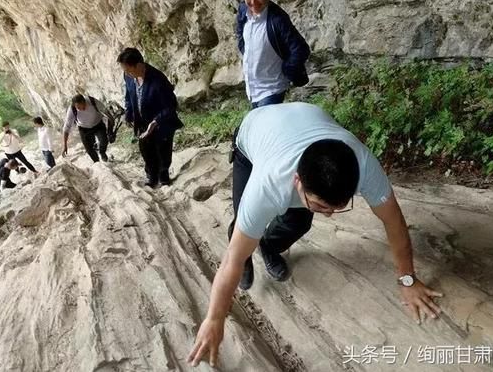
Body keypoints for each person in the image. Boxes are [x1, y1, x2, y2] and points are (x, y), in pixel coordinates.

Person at [188, 102, 444, 367]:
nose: (330, 214)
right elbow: (230, 260)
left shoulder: (363, 165)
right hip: (253, 133)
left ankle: (269, 247)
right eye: (321, 206)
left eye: (339, 207)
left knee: (299, 223)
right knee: (244, 227)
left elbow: (394, 222)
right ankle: (251, 251)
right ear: (297, 181)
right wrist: (214, 318)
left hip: (304, 119)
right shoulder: (268, 184)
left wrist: (407, 280)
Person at [236, 0, 311, 108]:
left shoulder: (278, 20)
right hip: (252, 89)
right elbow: (240, 32)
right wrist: (244, 49)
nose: (253, 2)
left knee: (263, 127)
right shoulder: (243, 10)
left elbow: (300, 48)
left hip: (272, 89)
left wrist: (287, 69)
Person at [117, 47, 183, 187]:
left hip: (162, 121)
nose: (127, 74)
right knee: (146, 149)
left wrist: (155, 122)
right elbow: (129, 95)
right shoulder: (129, 77)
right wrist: (128, 113)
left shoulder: (158, 80)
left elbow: (170, 106)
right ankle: (152, 177)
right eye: (125, 71)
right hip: (142, 120)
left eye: (129, 70)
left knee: (163, 150)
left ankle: (164, 175)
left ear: (139, 65)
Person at [62, 94, 114, 163]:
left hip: (98, 124)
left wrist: (110, 130)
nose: (81, 109)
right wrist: (65, 145)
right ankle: (97, 162)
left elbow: (107, 114)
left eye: (82, 106)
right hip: (84, 128)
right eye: (78, 108)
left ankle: (102, 152)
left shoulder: (92, 101)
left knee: (104, 141)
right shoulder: (72, 109)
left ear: (85, 101)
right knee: (89, 149)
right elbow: (66, 128)